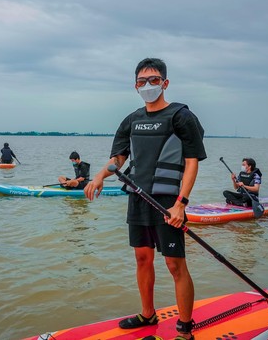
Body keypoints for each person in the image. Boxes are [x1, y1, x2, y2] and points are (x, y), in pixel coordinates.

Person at [84, 58, 206, 340]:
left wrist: (181, 203)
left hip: (168, 202)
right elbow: (119, 157)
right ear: (135, 85)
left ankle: (185, 330)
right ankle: (147, 314)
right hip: (138, 198)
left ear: (165, 83)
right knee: (142, 258)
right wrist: (100, 176)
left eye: (154, 80)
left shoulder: (181, 117)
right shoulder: (132, 119)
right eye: (142, 81)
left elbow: (192, 162)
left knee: (175, 265)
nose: (148, 85)